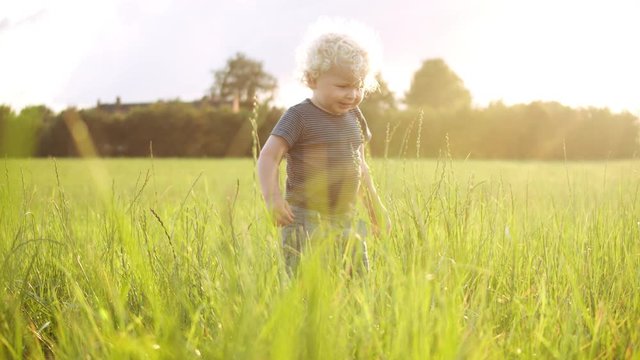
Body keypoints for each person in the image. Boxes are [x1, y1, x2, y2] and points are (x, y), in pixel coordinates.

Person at [257, 24, 391, 272]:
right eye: (343, 86)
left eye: (359, 85)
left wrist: (375, 206)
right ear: (312, 79)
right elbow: (268, 157)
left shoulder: (355, 117)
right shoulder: (299, 117)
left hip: (346, 218)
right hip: (303, 219)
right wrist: (272, 197)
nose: (352, 94)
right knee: (303, 284)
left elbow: (360, 168)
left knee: (357, 281)